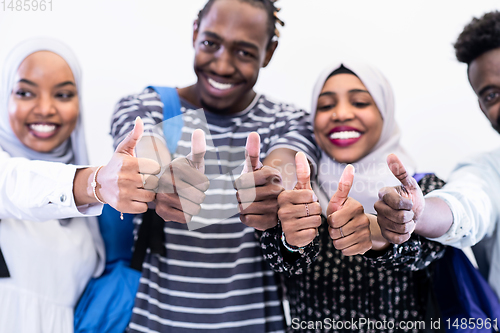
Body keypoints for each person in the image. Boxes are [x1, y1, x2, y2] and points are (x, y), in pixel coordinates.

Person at [110, 0, 318, 331]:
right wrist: (162, 176)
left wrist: (272, 186)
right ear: (195, 32)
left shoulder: (290, 120)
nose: (222, 65)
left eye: (245, 52)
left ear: (269, 52)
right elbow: (146, 150)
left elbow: (287, 165)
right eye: (210, 43)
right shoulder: (145, 106)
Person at [260, 61, 447, 332]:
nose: (341, 114)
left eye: (360, 102)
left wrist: (381, 236)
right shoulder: (298, 192)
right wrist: (291, 241)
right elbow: (276, 258)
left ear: (386, 113)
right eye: (325, 106)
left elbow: (427, 251)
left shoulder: (422, 189)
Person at [0, 38, 159, 332]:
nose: (45, 108)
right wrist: (95, 182)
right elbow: (14, 185)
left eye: (62, 94)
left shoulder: (95, 210)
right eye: (25, 92)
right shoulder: (11, 177)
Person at [374, 10, 500, 299]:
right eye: (491, 94)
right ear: (482, 107)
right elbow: (466, 204)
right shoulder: (487, 171)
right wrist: (418, 213)